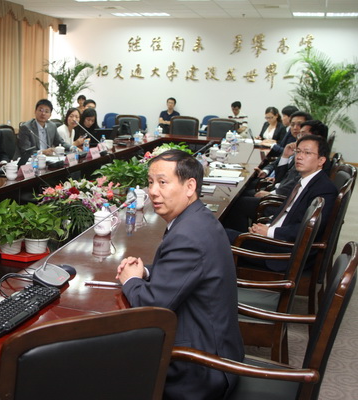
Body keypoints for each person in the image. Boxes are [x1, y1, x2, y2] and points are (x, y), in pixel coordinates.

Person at [116, 150, 244, 400]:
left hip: (200, 368)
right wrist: (145, 271)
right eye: (150, 182)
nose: (153, 191)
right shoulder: (197, 218)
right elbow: (188, 271)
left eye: (162, 182)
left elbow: (152, 306)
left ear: (190, 186)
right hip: (214, 346)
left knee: (110, 366)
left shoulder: (188, 235)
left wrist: (131, 280)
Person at [226, 134, 338, 272]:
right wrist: (266, 227)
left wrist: (270, 232)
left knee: (218, 235)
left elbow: (310, 229)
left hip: (282, 254)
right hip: (278, 241)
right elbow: (288, 213)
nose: (299, 157)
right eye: (298, 151)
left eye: (307, 153)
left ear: (321, 160)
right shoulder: (306, 180)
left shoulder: (325, 190)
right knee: (222, 232)